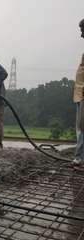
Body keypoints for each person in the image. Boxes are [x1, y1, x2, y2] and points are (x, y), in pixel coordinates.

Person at [72, 19, 84, 166]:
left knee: (82, 127)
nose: (81, 35)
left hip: (83, 94)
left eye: (82, 30)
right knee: (80, 127)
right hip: (79, 93)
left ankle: (80, 158)